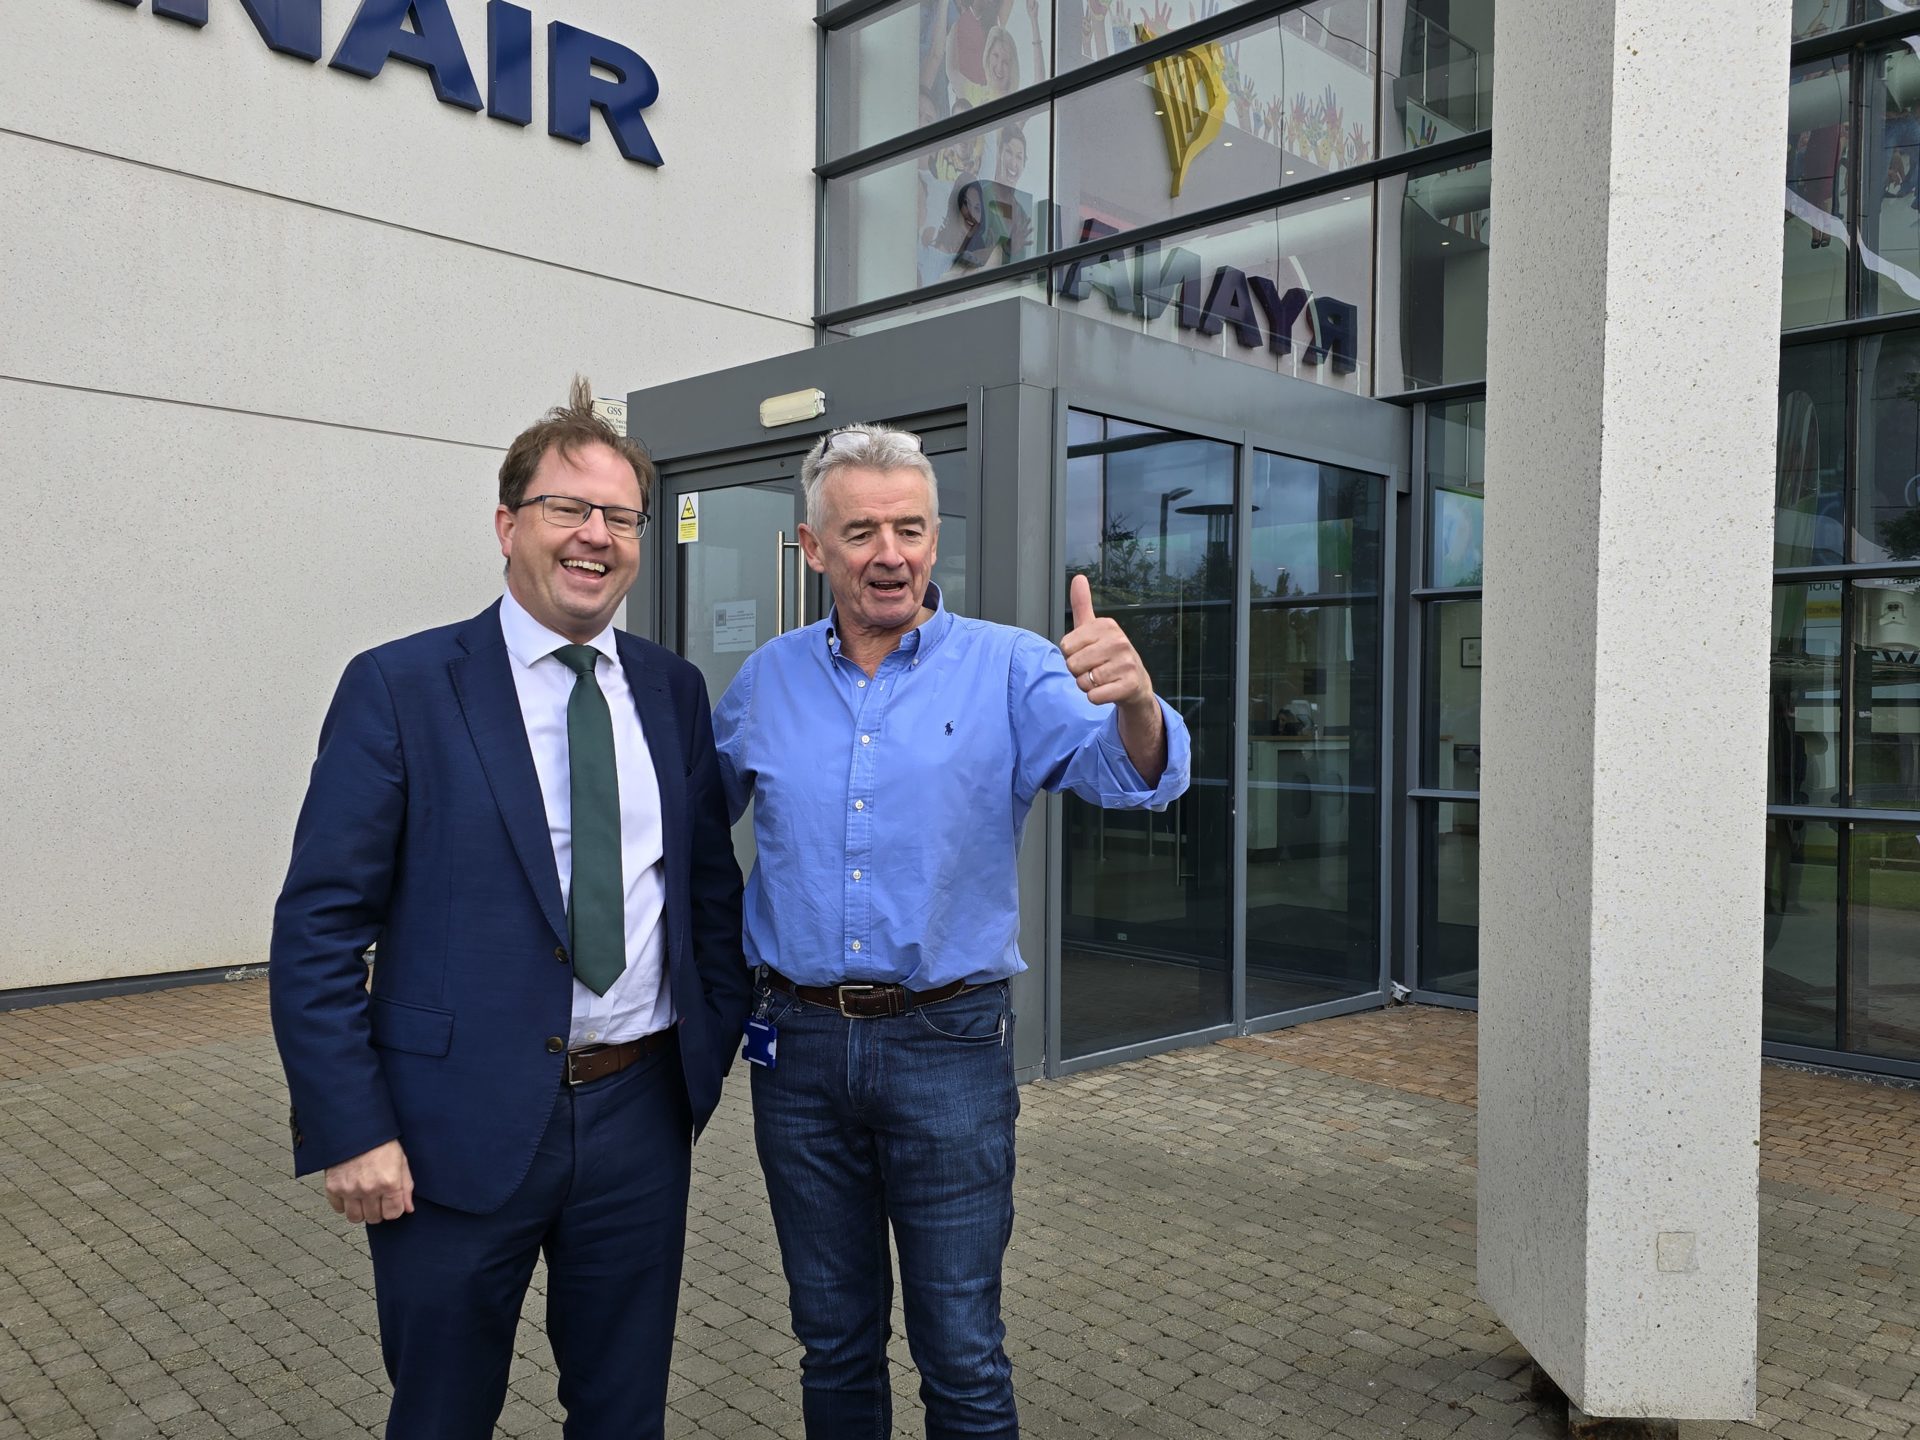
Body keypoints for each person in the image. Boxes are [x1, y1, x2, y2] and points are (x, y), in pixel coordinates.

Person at [269, 379, 749, 1439]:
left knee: (623, 1415)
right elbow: (316, 929)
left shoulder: (671, 690)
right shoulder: (400, 686)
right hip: (450, 1133)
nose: (595, 536)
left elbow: (708, 891)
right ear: (507, 524)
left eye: (619, 517)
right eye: (567, 509)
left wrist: (695, 1068)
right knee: (442, 1414)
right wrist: (352, 1127)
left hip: (638, 1114)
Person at [712, 423, 1191, 1439]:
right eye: (861, 532)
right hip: (793, 1052)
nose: (889, 552)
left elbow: (1130, 776)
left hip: (949, 1046)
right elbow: (681, 830)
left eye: (910, 528)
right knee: (833, 1343)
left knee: (961, 1354)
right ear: (812, 547)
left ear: (935, 539)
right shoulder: (764, 682)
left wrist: (1140, 698)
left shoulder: (1013, 670)